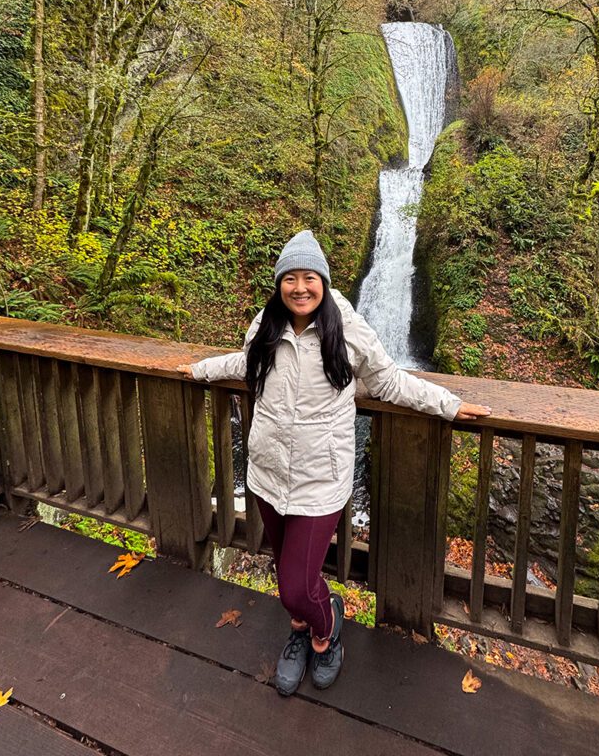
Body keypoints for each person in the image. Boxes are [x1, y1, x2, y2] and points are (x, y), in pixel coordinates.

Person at [177, 229, 491, 697]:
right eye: (290, 278)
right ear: (279, 282)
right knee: (289, 574)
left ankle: (326, 634)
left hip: (319, 479)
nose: (299, 287)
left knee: (295, 585)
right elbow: (246, 365)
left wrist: (447, 404)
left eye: (309, 277)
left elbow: (389, 384)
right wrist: (200, 368)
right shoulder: (266, 323)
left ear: (323, 281)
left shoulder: (347, 328)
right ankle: (301, 629)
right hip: (266, 473)